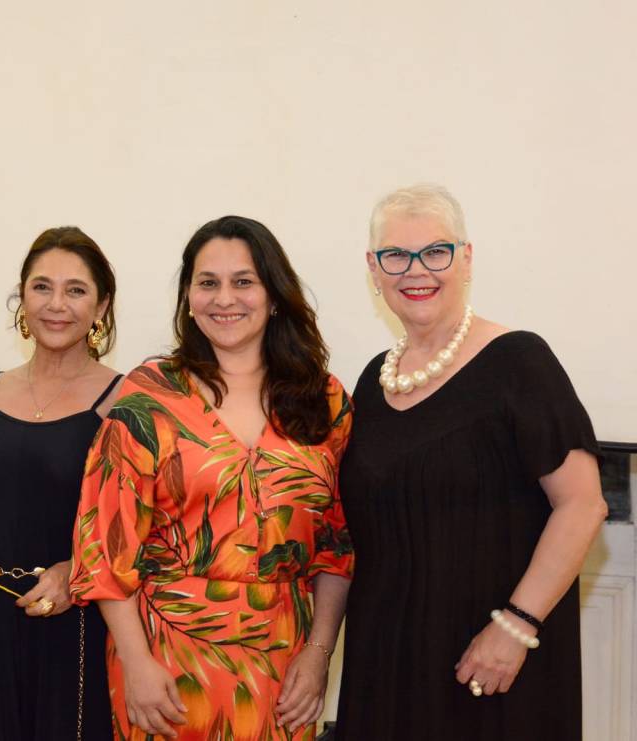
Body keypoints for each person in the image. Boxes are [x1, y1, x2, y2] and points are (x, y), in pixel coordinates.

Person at [335, 183, 607, 740]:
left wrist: (515, 626)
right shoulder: (373, 380)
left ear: (466, 257)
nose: (417, 270)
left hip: (494, 664)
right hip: (386, 659)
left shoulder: (520, 361)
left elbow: (583, 505)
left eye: (436, 251)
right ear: (373, 268)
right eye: (395, 255)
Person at [70, 215, 353, 741]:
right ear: (188, 297)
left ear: (274, 296)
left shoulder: (325, 400)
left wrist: (319, 654)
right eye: (208, 282)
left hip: (285, 666)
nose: (225, 299)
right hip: (164, 663)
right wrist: (135, 662)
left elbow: (338, 547)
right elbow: (104, 546)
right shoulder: (149, 395)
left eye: (243, 281)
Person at [0, 226, 120, 740]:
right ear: (22, 297)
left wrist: (76, 572)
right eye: (42, 287)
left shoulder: (126, 402)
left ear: (101, 306)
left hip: (76, 630)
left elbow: (140, 537)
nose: (56, 304)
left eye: (76, 290)